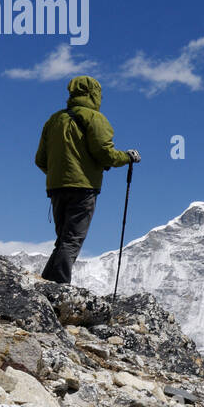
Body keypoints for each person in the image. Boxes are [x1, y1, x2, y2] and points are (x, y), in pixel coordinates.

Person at [35, 75, 140, 284]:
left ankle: (46, 284)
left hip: (56, 188)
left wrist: (60, 174)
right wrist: (127, 157)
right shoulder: (95, 119)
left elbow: (40, 159)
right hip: (83, 188)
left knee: (63, 240)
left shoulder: (54, 120)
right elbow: (105, 154)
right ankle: (60, 288)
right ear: (94, 94)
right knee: (72, 240)